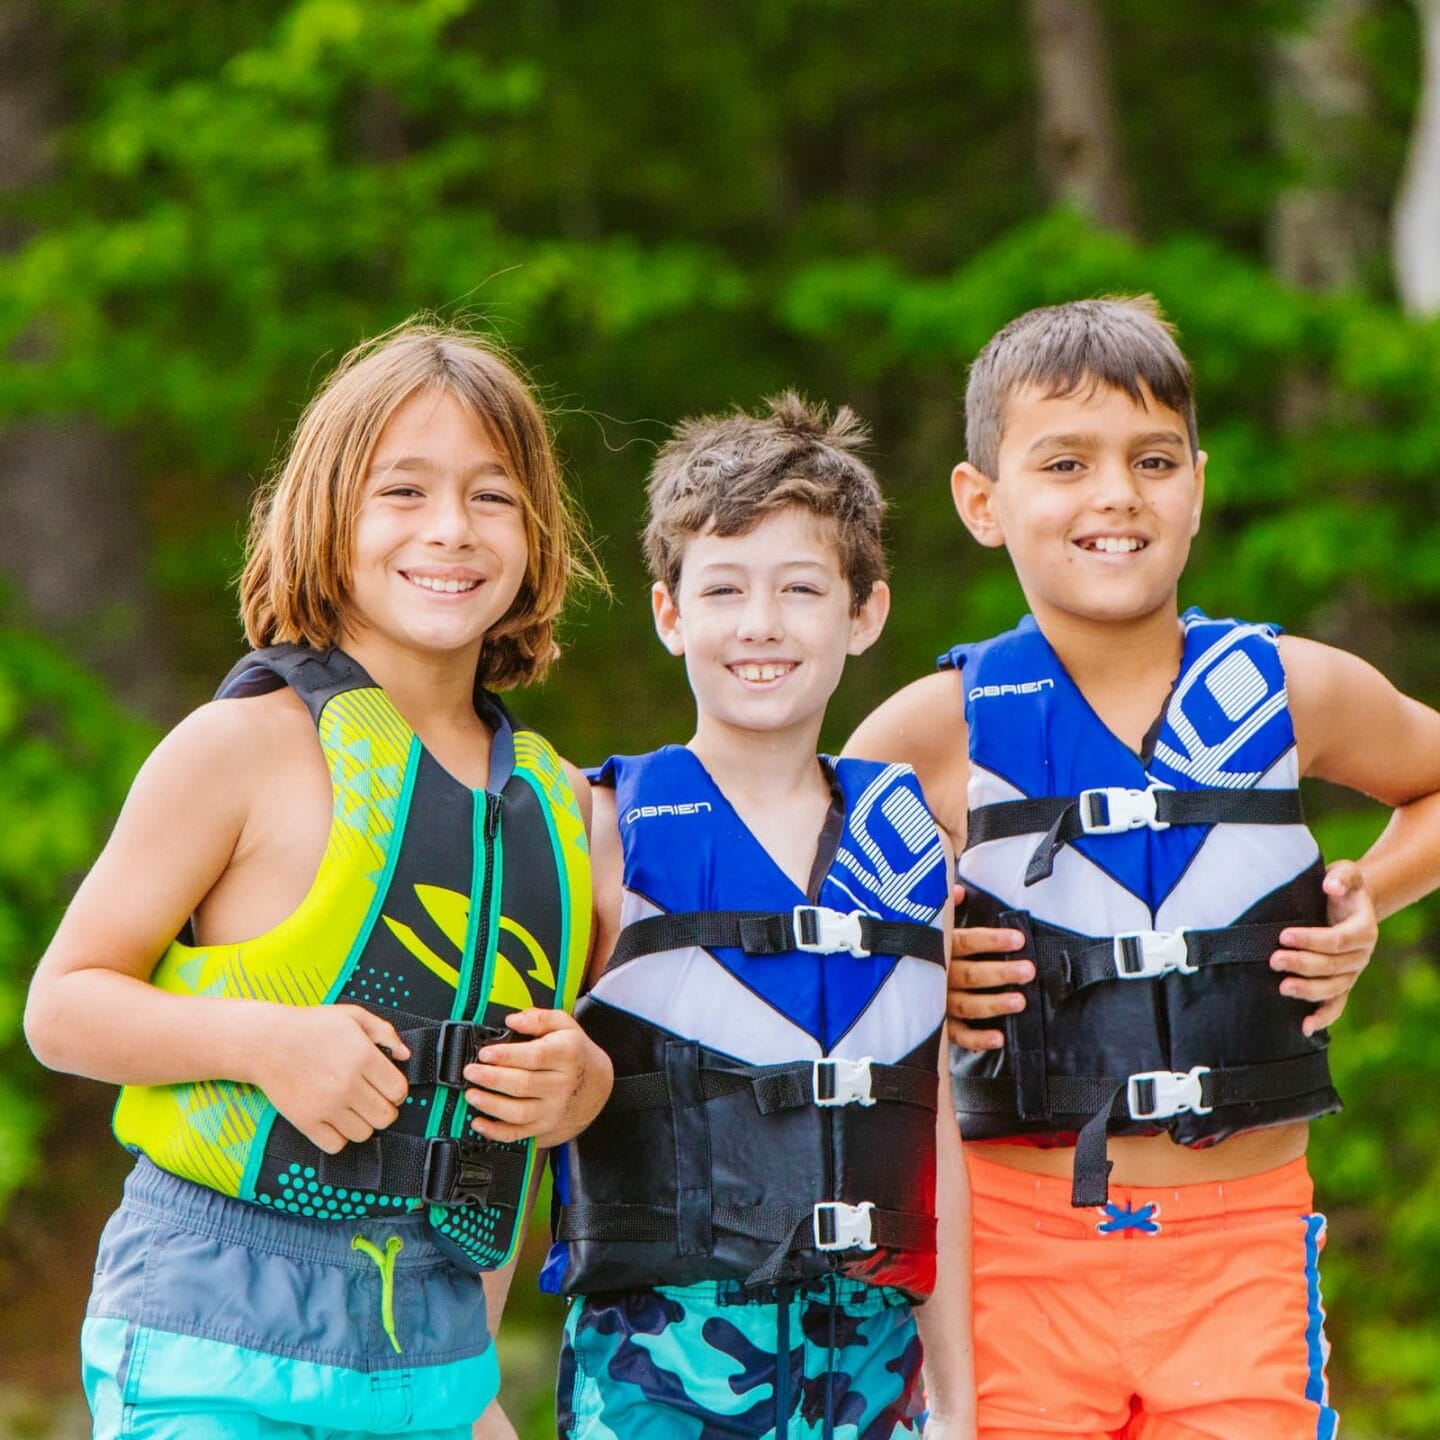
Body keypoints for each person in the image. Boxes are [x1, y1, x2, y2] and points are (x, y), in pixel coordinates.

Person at [845, 296, 1440, 1440]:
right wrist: (924, 976)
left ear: (1198, 485)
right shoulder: (932, 732)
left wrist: (1370, 897)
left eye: (1153, 459)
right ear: (983, 502)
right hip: (1012, 1258)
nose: (1117, 494)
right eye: (1065, 462)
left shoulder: (1294, 689)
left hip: (1245, 1249)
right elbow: (808, 947)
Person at [24, 322, 615, 1440]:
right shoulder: (241, 748)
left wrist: (576, 1090)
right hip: (214, 1341)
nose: (450, 529)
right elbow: (62, 1008)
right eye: (404, 490)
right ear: (328, 514)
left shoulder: (563, 808)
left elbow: (513, 1142)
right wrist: (266, 1042)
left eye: (493, 498)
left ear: (536, 537)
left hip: (438, 1370)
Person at [545, 395, 975, 1438]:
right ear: (670, 613)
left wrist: (961, 1399)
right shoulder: (597, 831)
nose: (761, 625)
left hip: (875, 1377)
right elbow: (517, 1111)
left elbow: (941, 1131)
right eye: (725, 589)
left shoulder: (916, 850)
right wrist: (472, 1396)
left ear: (864, 613)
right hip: (652, 1378)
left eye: (800, 589)